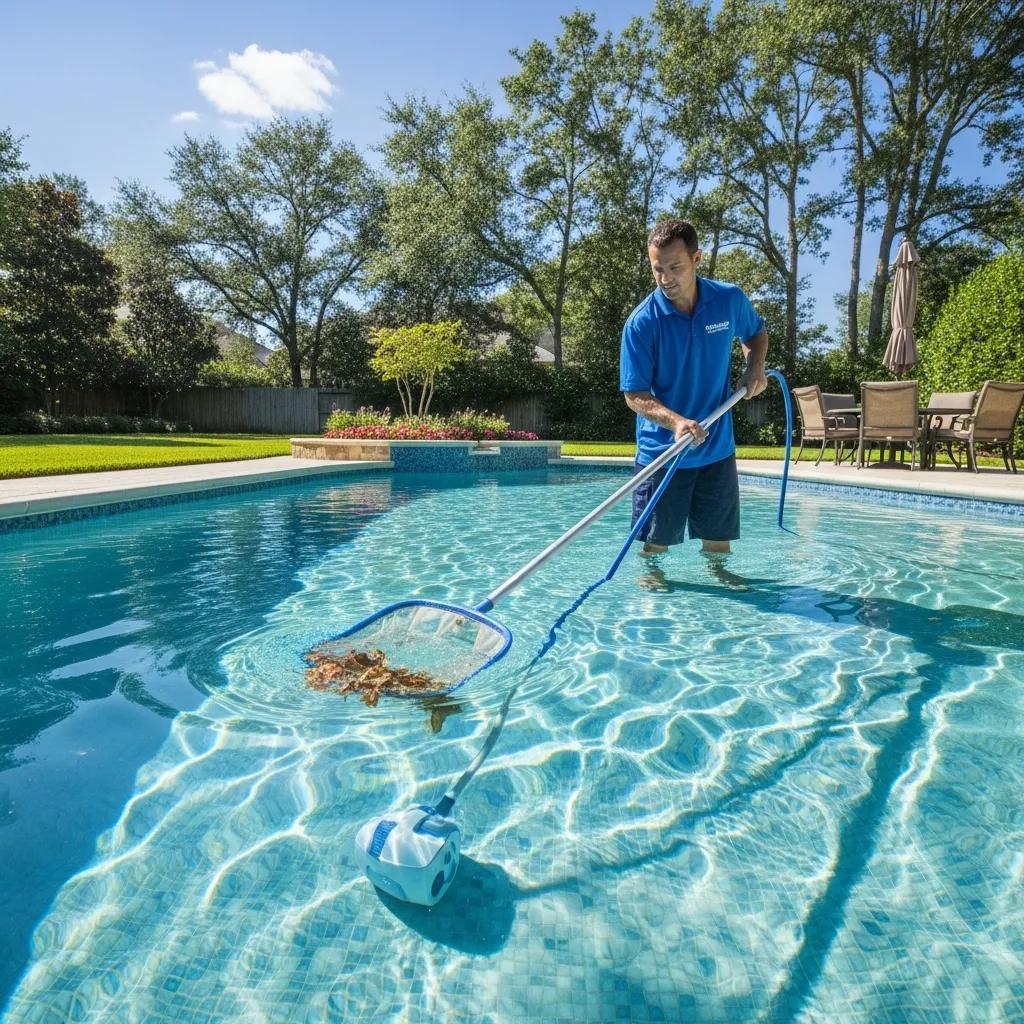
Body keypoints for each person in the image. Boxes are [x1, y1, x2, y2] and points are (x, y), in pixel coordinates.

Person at [620, 218, 768, 561]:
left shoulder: (728, 300)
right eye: (658, 269)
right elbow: (635, 395)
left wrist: (754, 365)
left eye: (675, 266)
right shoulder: (642, 323)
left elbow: (756, 334)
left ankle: (720, 601)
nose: (665, 278)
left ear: (697, 259)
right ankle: (652, 604)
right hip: (663, 453)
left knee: (718, 547)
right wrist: (676, 423)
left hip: (716, 450)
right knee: (654, 551)